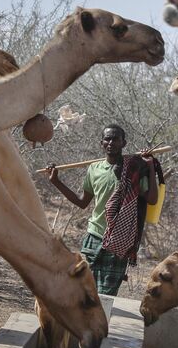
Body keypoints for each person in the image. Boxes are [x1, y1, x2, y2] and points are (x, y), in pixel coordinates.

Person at [46, 124, 157, 295]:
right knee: (85, 291)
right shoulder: (94, 169)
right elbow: (82, 202)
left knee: (106, 295)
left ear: (124, 143)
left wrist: (149, 166)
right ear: (102, 143)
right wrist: (56, 182)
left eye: (116, 139)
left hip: (119, 240)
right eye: (107, 139)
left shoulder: (134, 170)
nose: (111, 142)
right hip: (94, 236)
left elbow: (152, 199)